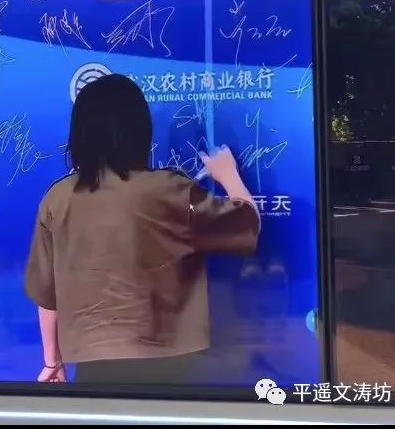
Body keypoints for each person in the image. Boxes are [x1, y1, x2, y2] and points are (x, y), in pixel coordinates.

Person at [24, 74, 260, 384]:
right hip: (171, 362)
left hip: (93, 362)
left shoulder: (58, 199)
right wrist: (228, 175)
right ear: (140, 131)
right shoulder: (171, 191)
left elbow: (47, 292)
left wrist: (51, 360)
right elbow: (246, 225)